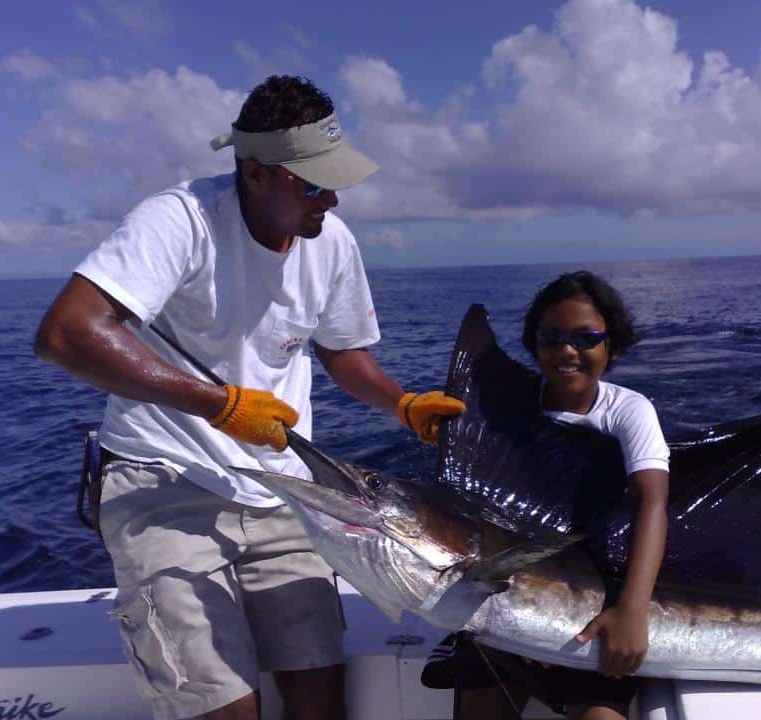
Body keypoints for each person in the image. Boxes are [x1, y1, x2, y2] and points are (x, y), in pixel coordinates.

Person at [34, 75, 464, 720]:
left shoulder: (332, 242)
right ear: (255, 173)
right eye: (313, 183)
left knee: (318, 697)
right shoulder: (179, 219)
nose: (333, 199)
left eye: (334, 180)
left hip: (281, 491)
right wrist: (219, 405)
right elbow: (67, 333)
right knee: (225, 708)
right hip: (165, 482)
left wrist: (400, 403)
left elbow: (342, 353)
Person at [424, 271, 669, 720]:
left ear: (611, 346)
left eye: (585, 338)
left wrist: (632, 610)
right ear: (534, 345)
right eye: (552, 339)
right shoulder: (501, 410)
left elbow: (652, 501)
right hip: (505, 604)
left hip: (595, 607)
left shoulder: (629, 411)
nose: (567, 352)